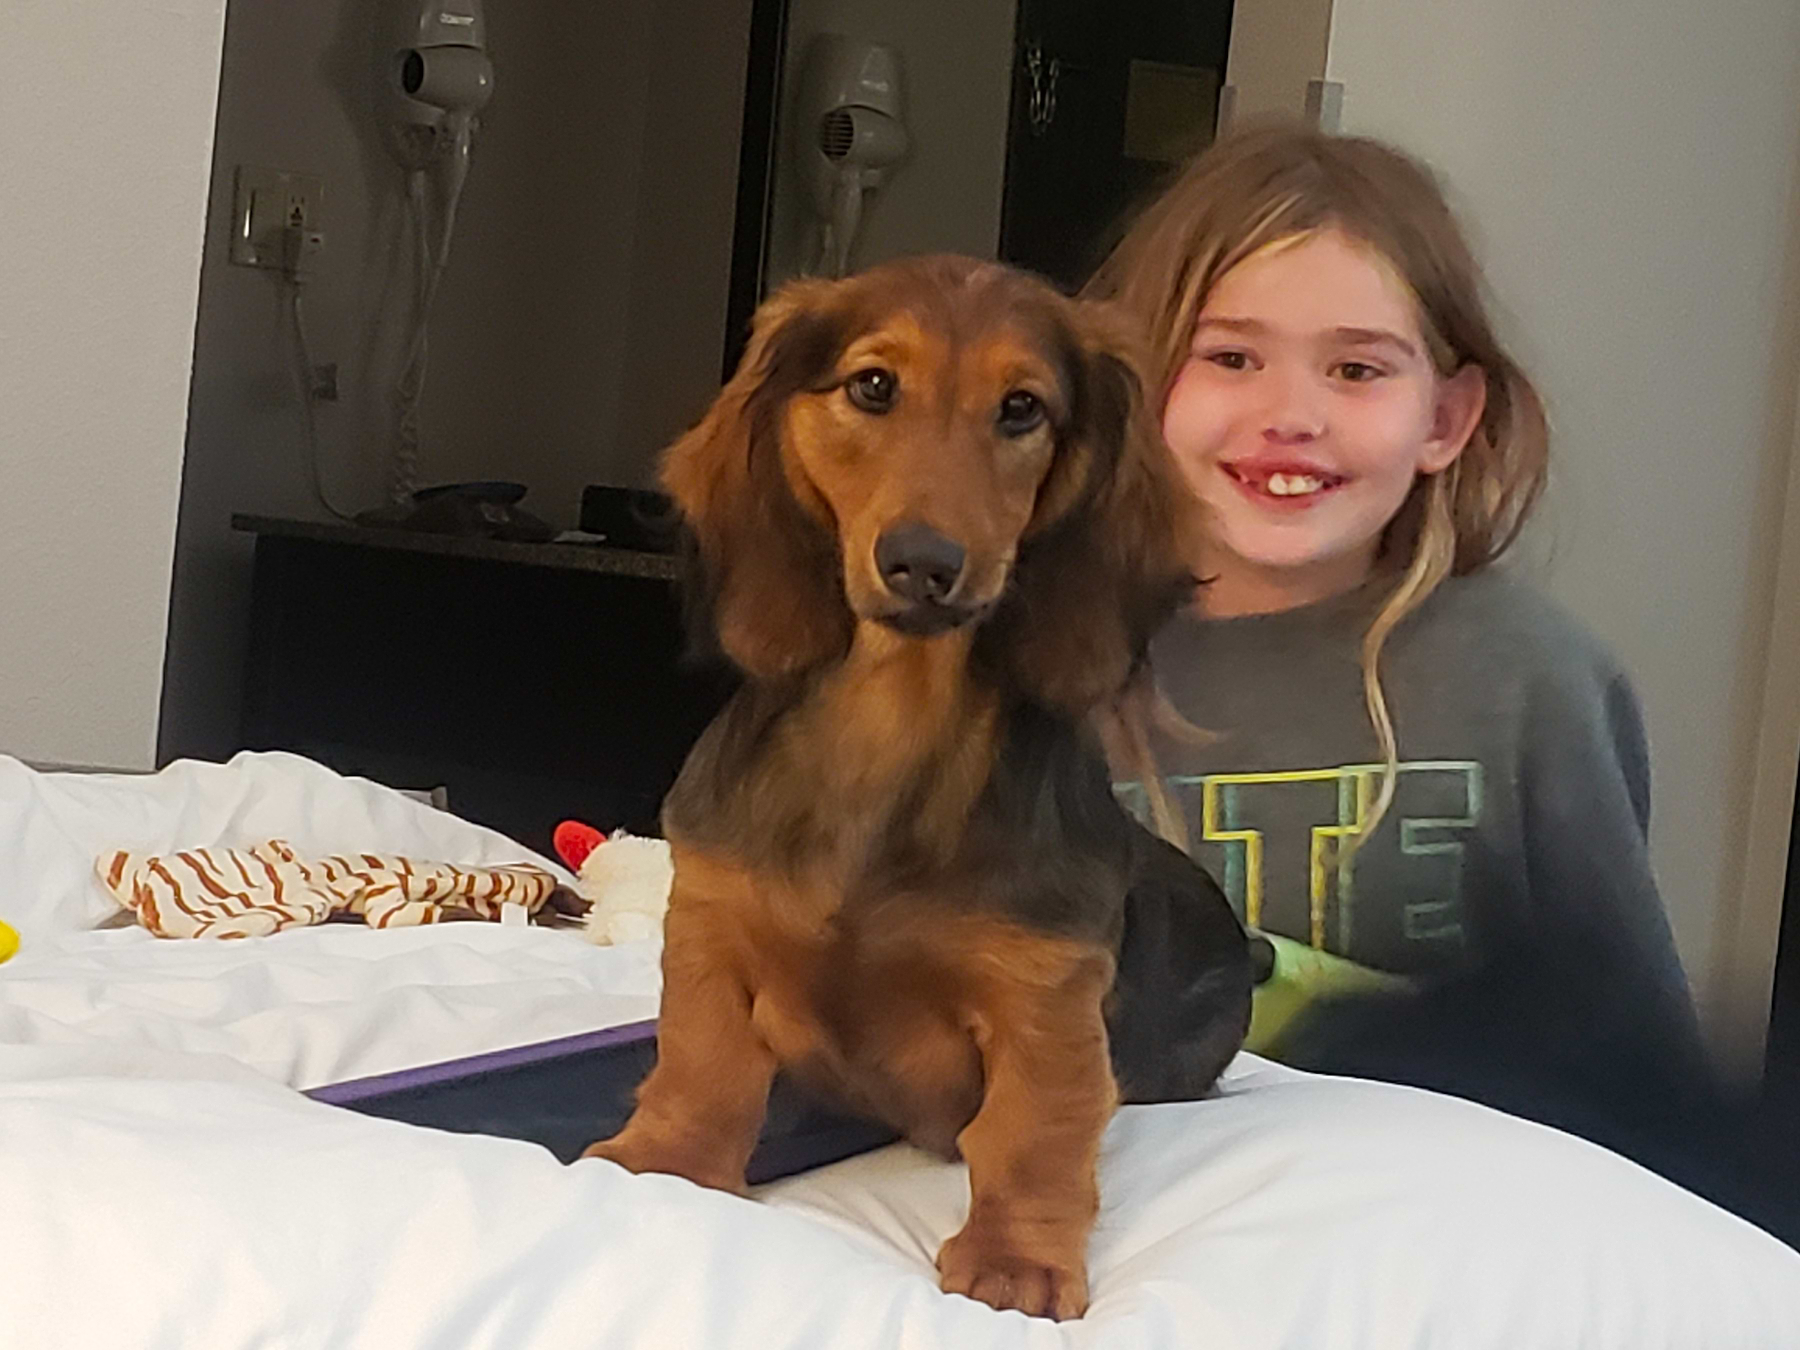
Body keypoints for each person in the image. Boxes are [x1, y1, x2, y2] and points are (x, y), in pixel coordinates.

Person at [1086, 124, 1727, 1187]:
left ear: (1447, 417)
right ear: (1135, 388)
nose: (1290, 415)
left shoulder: (1530, 683)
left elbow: (1635, 1079)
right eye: (1231, 357)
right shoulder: (1036, 678)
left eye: (1356, 369)